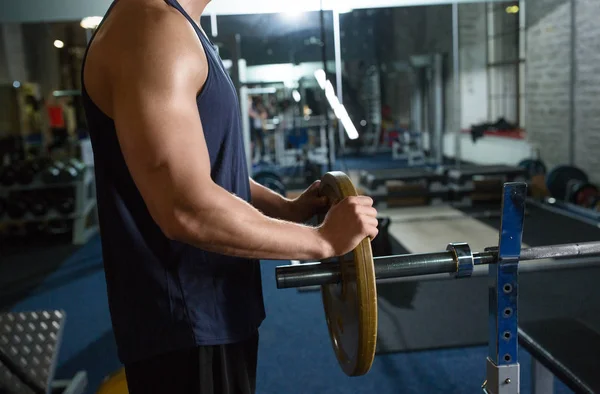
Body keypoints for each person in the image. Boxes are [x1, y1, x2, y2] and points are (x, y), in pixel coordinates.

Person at [81, 0, 379, 393]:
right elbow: (185, 208)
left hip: (210, 314)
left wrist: (287, 210)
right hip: (186, 326)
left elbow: (203, 175)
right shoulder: (151, 29)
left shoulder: (178, 27)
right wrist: (321, 241)